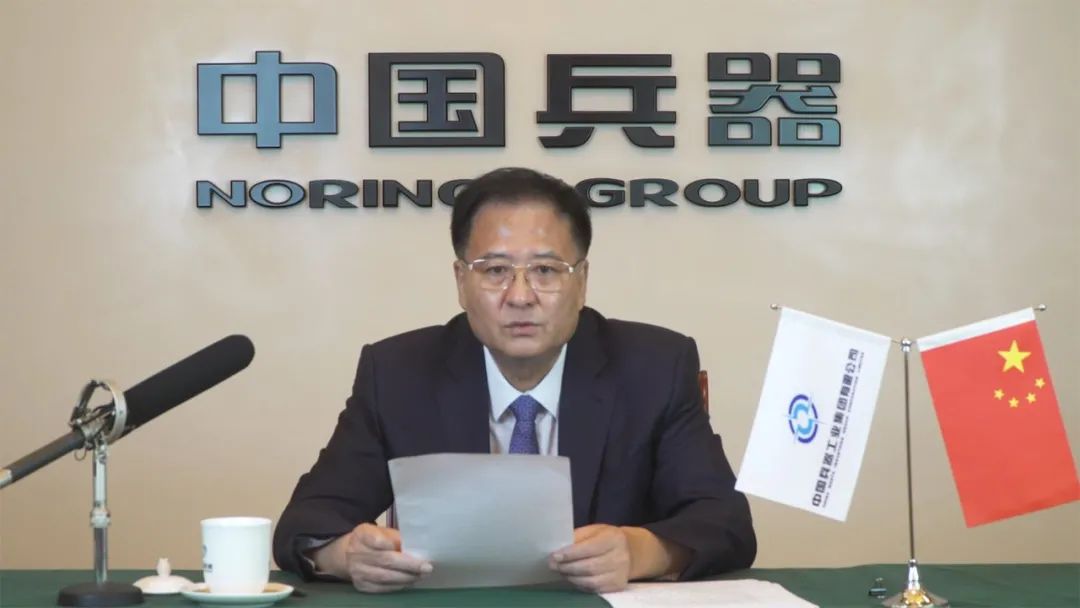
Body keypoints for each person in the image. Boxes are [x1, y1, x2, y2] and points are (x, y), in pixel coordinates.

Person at [273, 167, 756, 593]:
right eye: (495, 270)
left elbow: (726, 523)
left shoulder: (654, 367)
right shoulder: (399, 373)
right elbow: (306, 523)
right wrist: (346, 556)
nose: (520, 296)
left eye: (546, 270)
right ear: (461, 281)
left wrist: (638, 551)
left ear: (581, 281)